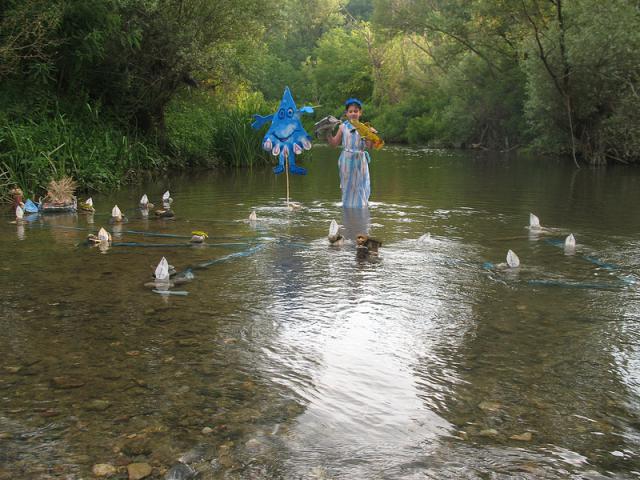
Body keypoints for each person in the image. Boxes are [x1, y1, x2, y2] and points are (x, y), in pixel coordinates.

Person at [327, 98, 373, 208]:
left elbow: (370, 147)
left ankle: (361, 209)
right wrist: (327, 132)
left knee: (361, 185)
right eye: (350, 111)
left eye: (356, 111)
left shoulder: (364, 128)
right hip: (346, 161)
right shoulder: (343, 127)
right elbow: (334, 144)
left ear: (360, 113)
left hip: (360, 160)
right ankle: (348, 209)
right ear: (347, 113)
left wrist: (371, 135)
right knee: (347, 185)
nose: (353, 113)